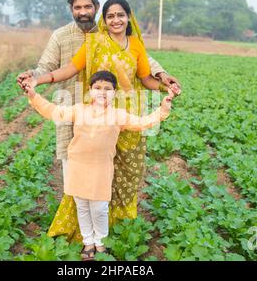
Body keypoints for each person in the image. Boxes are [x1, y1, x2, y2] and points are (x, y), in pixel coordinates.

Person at [21, 0, 181, 246]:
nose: (116, 19)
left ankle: (114, 223)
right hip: (95, 115)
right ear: (104, 20)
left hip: (126, 115)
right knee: (91, 167)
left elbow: (146, 78)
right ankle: (85, 232)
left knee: (128, 171)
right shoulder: (94, 42)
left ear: (128, 17)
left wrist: (165, 86)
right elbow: (69, 69)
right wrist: (36, 81)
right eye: (110, 16)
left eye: (120, 15)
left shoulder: (136, 44)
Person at [23, 71, 175, 260]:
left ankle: (100, 243)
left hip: (101, 168)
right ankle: (88, 242)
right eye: (97, 88)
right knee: (82, 206)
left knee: (99, 208)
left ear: (114, 92)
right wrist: (33, 96)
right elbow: (55, 112)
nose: (102, 92)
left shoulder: (118, 115)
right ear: (90, 90)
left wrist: (163, 109)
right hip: (77, 165)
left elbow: (142, 123)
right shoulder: (79, 110)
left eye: (107, 89)